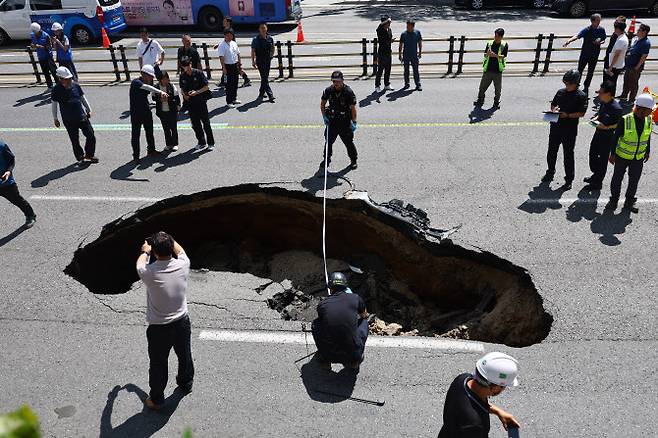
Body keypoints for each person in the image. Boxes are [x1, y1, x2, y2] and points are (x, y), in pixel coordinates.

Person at [136, 232, 194, 410]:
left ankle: (156, 400)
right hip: (182, 322)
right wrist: (166, 236)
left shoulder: (148, 272)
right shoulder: (184, 264)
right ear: (171, 250)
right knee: (184, 354)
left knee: (159, 364)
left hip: (159, 329)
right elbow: (180, 249)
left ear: (154, 253)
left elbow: (139, 262)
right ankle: (186, 383)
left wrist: (145, 251)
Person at [437, 352, 520, 438]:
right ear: (495, 388)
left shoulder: (462, 379)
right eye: (504, 386)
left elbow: (474, 403)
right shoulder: (475, 425)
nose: (504, 389)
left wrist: (498, 412)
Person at [606, 93, 653, 213]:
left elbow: (647, 136)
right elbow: (615, 138)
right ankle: (614, 200)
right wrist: (612, 154)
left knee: (634, 181)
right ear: (641, 109)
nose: (650, 112)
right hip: (622, 156)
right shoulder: (626, 119)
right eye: (649, 110)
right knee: (617, 179)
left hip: (638, 157)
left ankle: (629, 202)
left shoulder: (648, 119)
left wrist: (647, 151)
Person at [311, 272, 369, 370]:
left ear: (330, 288)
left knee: (316, 324)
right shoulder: (355, 298)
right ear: (345, 286)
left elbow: (323, 321)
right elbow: (364, 315)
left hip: (328, 354)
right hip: (353, 355)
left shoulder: (322, 304)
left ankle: (325, 361)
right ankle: (355, 362)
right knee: (364, 322)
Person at [542, 69, 588, 191]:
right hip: (556, 127)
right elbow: (554, 104)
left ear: (576, 83)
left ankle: (569, 179)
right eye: (565, 83)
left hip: (569, 130)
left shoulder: (581, 96)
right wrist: (553, 110)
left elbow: (581, 113)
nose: (567, 86)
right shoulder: (560, 92)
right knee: (552, 151)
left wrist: (567, 115)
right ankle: (550, 172)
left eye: (569, 84)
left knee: (568, 154)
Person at [51, 67, 98, 165]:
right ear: (60, 79)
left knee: (91, 136)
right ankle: (80, 157)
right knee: (75, 140)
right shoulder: (56, 90)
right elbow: (54, 104)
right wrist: (55, 118)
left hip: (82, 116)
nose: (69, 81)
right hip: (69, 120)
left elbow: (82, 98)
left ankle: (89, 155)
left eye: (69, 78)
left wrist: (89, 109)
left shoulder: (76, 85)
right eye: (66, 79)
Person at [584, 81, 622, 191]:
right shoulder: (604, 102)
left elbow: (618, 124)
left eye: (601, 92)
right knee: (592, 154)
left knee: (602, 160)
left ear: (609, 93)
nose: (599, 94)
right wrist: (595, 119)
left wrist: (607, 127)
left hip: (607, 136)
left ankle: (597, 183)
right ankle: (595, 175)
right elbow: (600, 115)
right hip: (598, 133)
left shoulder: (616, 108)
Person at [130, 65, 169, 164]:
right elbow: (146, 87)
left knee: (150, 132)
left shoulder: (149, 81)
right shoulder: (136, 82)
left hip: (146, 111)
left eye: (152, 76)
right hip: (136, 113)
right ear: (143, 74)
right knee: (136, 135)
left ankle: (151, 150)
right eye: (150, 76)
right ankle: (136, 156)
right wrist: (160, 92)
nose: (152, 78)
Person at [320, 71, 358, 170]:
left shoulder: (348, 92)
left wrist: (354, 122)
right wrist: (324, 116)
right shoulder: (328, 90)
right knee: (328, 142)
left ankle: (353, 160)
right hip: (332, 121)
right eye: (334, 81)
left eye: (338, 81)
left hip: (344, 121)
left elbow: (353, 108)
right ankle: (326, 159)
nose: (336, 83)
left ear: (342, 80)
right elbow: (322, 104)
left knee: (349, 142)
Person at [563, 14, 606, 95]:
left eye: (599, 20)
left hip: (595, 53)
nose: (599, 22)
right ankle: (576, 85)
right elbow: (578, 36)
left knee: (591, 71)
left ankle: (586, 86)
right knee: (580, 70)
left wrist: (599, 42)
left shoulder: (601, 30)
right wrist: (569, 41)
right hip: (585, 53)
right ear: (592, 21)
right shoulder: (587, 30)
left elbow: (603, 39)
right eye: (597, 20)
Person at [179, 57, 215, 151]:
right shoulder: (182, 76)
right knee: (195, 124)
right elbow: (182, 88)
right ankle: (201, 142)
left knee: (206, 123)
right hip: (190, 103)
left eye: (188, 65)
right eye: (184, 66)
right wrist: (184, 95)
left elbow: (206, 87)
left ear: (190, 63)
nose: (186, 68)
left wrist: (197, 92)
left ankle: (211, 143)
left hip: (201, 101)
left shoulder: (198, 73)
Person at [0, 141, 36, 229]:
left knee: (17, 200)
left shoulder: (1, 146)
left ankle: (30, 216)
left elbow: (11, 160)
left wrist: (8, 171)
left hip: (5, 182)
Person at [475, 28, 508, 109]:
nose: (495, 38)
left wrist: (494, 55)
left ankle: (496, 103)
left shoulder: (504, 45)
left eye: (497, 36)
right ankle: (480, 100)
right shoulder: (489, 43)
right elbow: (485, 54)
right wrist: (488, 54)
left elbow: (503, 56)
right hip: (488, 69)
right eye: (495, 35)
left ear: (501, 37)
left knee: (498, 89)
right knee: (482, 87)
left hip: (497, 71)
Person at [619, 24, 651, 104]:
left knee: (633, 83)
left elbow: (644, 56)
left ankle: (631, 100)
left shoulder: (645, 43)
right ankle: (624, 96)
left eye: (639, 30)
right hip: (629, 65)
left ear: (644, 32)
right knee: (626, 80)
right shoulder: (637, 40)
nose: (637, 31)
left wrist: (637, 67)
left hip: (635, 66)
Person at [153, 71, 181, 152]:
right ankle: (168, 144)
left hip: (172, 111)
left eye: (166, 79)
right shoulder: (156, 87)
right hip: (162, 111)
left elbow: (177, 97)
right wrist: (160, 99)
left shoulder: (172, 86)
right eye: (163, 79)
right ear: (160, 80)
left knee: (173, 128)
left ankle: (175, 144)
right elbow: (153, 98)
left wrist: (178, 106)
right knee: (166, 129)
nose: (165, 81)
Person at [251, 22, 275, 102]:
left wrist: (271, 55)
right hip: (260, 60)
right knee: (264, 77)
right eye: (261, 28)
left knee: (265, 78)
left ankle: (261, 92)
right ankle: (270, 95)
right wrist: (253, 61)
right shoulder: (255, 39)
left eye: (264, 28)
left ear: (266, 28)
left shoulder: (270, 38)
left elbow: (272, 48)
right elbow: (253, 51)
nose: (263, 29)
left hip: (267, 60)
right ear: (259, 29)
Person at [603, 21, 628, 97]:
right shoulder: (621, 37)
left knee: (611, 83)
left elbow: (617, 55)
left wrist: (610, 67)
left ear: (617, 29)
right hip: (616, 65)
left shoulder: (621, 40)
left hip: (615, 66)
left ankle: (609, 99)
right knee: (612, 82)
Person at [218, 28, 242, 107]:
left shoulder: (234, 43)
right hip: (227, 66)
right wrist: (223, 68)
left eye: (231, 35)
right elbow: (221, 57)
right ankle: (229, 101)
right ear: (224, 36)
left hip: (235, 65)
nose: (229, 37)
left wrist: (239, 63)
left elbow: (238, 54)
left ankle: (234, 98)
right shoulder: (222, 45)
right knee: (229, 84)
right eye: (227, 35)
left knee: (235, 82)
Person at [30, 22, 56, 89]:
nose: (34, 33)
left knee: (53, 71)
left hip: (48, 56)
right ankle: (50, 86)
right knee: (45, 72)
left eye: (35, 32)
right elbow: (33, 43)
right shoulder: (33, 35)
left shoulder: (46, 36)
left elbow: (49, 47)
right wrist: (33, 46)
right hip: (41, 57)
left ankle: (58, 84)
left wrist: (38, 46)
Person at [399, 20, 422, 91]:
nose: (407, 27)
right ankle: (406, 84)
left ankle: (418, 84)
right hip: (406, 54)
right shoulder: (403, 34)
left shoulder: (417, 33)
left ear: (412, 26)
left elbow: (420, 43)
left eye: (408, 26)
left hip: (414, 55)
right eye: (406, 26)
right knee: (406, 70)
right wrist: (400, 55)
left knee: (416, 70)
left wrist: (420, 52)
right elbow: (400, 45)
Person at [375, 15, 393, 92]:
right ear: (384, 23)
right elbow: (379, 27)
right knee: (380, 70)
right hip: (382, 53)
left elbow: (388, 39)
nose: (389, 24)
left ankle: (387, 84)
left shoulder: (389, 29)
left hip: (388, 51)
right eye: (388, 22)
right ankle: (377, 86)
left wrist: (390, 40)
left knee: (388, 69)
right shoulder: (380, 30)